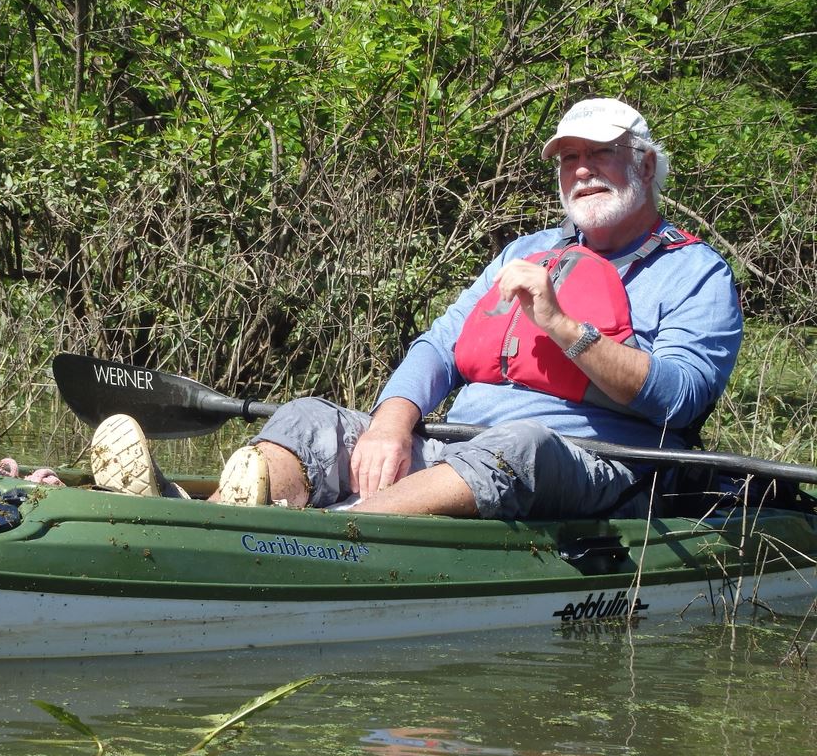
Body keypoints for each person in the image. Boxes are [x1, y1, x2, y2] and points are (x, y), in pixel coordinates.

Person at [92, 98, 743, 520]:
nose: (582, 171)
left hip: (591, 464)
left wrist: (567, 330)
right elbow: (438, 347)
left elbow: (681, 398)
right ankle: (218, 519)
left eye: (601, 154)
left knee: (521, 444)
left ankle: (336, 533)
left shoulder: (694, 271)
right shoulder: (530, 250)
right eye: (569, 158)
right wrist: (390, 425)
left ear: (647, 164)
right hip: (456, 453)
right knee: (307, 418)